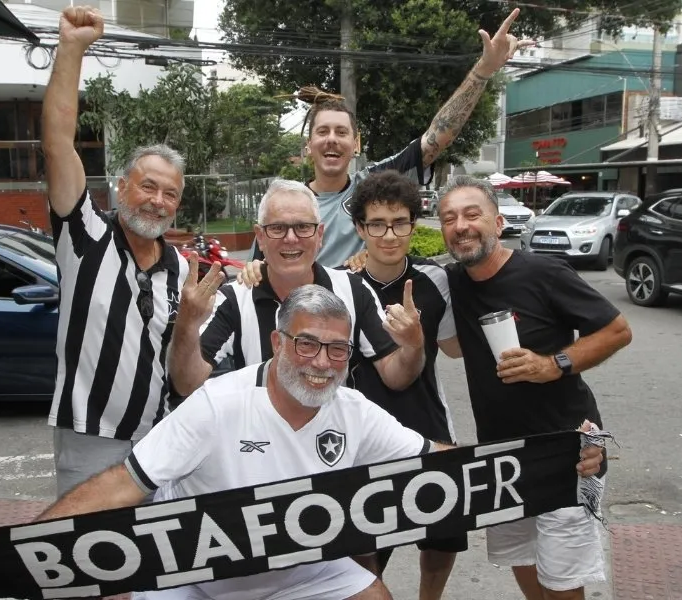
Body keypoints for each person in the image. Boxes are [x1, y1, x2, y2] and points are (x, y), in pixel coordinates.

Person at [0, 285, 608, 600]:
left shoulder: (354, 408)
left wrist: (555, 456)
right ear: (280, 342)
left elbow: (439, 466)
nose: (320, 362)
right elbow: (119, 486)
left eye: (337, 350)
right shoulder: (219, 404)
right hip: (197, 580)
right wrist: (17, 545)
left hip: (310, 572)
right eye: (307, 344)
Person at [43, 5, 214, 498]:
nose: (158, 201)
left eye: (171, 194)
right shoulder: (84, 235)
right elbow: (58, 144)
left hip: (161, 440)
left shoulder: (181, 269)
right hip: (90, 437)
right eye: (148, 186)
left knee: (152, 564)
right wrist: (72, 49)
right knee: (88, 559)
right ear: (121, 187)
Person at [437, 175, 634, 600]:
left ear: (498, 222)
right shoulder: (452, 281)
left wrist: (554, 364)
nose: (461, 226)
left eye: (473, 214)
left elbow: (617, 330)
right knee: (523, 562)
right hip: (502, 457)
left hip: (565, 450)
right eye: (449, 219)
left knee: (563, 583)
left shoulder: (543, 272)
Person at [250, 8, 534, 269]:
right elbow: (258, 272)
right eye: (322, 132)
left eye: (342, 132)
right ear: (308, 147)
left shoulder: (373, 183)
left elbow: (438, 135)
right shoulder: (287, 206)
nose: (332, 139)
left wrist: (483, 70)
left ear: (356, 143)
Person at [167, 178, 425, 398]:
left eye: (303, 227)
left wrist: (414, 346)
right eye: (278, 228)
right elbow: (186, 384)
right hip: (260, 445)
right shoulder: (234, 299)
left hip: (333, 447)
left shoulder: (354, 291)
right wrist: (187, 324)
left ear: (320, 234)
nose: (291, 238)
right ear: (260, 236)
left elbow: (396, 376)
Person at [343, 170, 466, 599]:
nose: (389, 235)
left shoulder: (437, 280)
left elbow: (454, 347)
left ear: (414, 223)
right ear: (360, 228)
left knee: (442, 533)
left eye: (399, 222)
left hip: (428, 423)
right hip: (364, 437)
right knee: (365, 546)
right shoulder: (342, 284)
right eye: (377, 224)